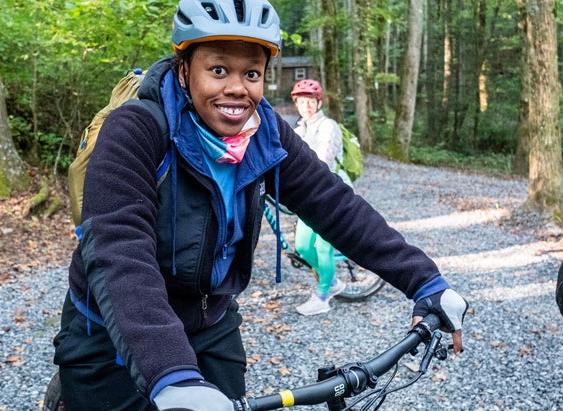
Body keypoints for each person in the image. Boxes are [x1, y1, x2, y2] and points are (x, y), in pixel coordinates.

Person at [52, 0, 469, 410]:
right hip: (112, 330)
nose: (237, 87)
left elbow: (335, 206)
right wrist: (172, 374)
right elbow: (119, 251)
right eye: (218, 70)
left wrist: (424, 281)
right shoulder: (136, 129)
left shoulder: (264, 133)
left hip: (209, 325)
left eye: (251, 73)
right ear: (184, 70)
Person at [290, 79, 350, 316]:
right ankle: (333, 281)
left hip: (330, 193)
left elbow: (323, 160)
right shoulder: (298, 129)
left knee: (322, 246)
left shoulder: (328, 126)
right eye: (301, 102)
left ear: (318, 102)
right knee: (303, 247)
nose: (306, 106)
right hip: (309, 196)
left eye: (311, 101)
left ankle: (323, 295)